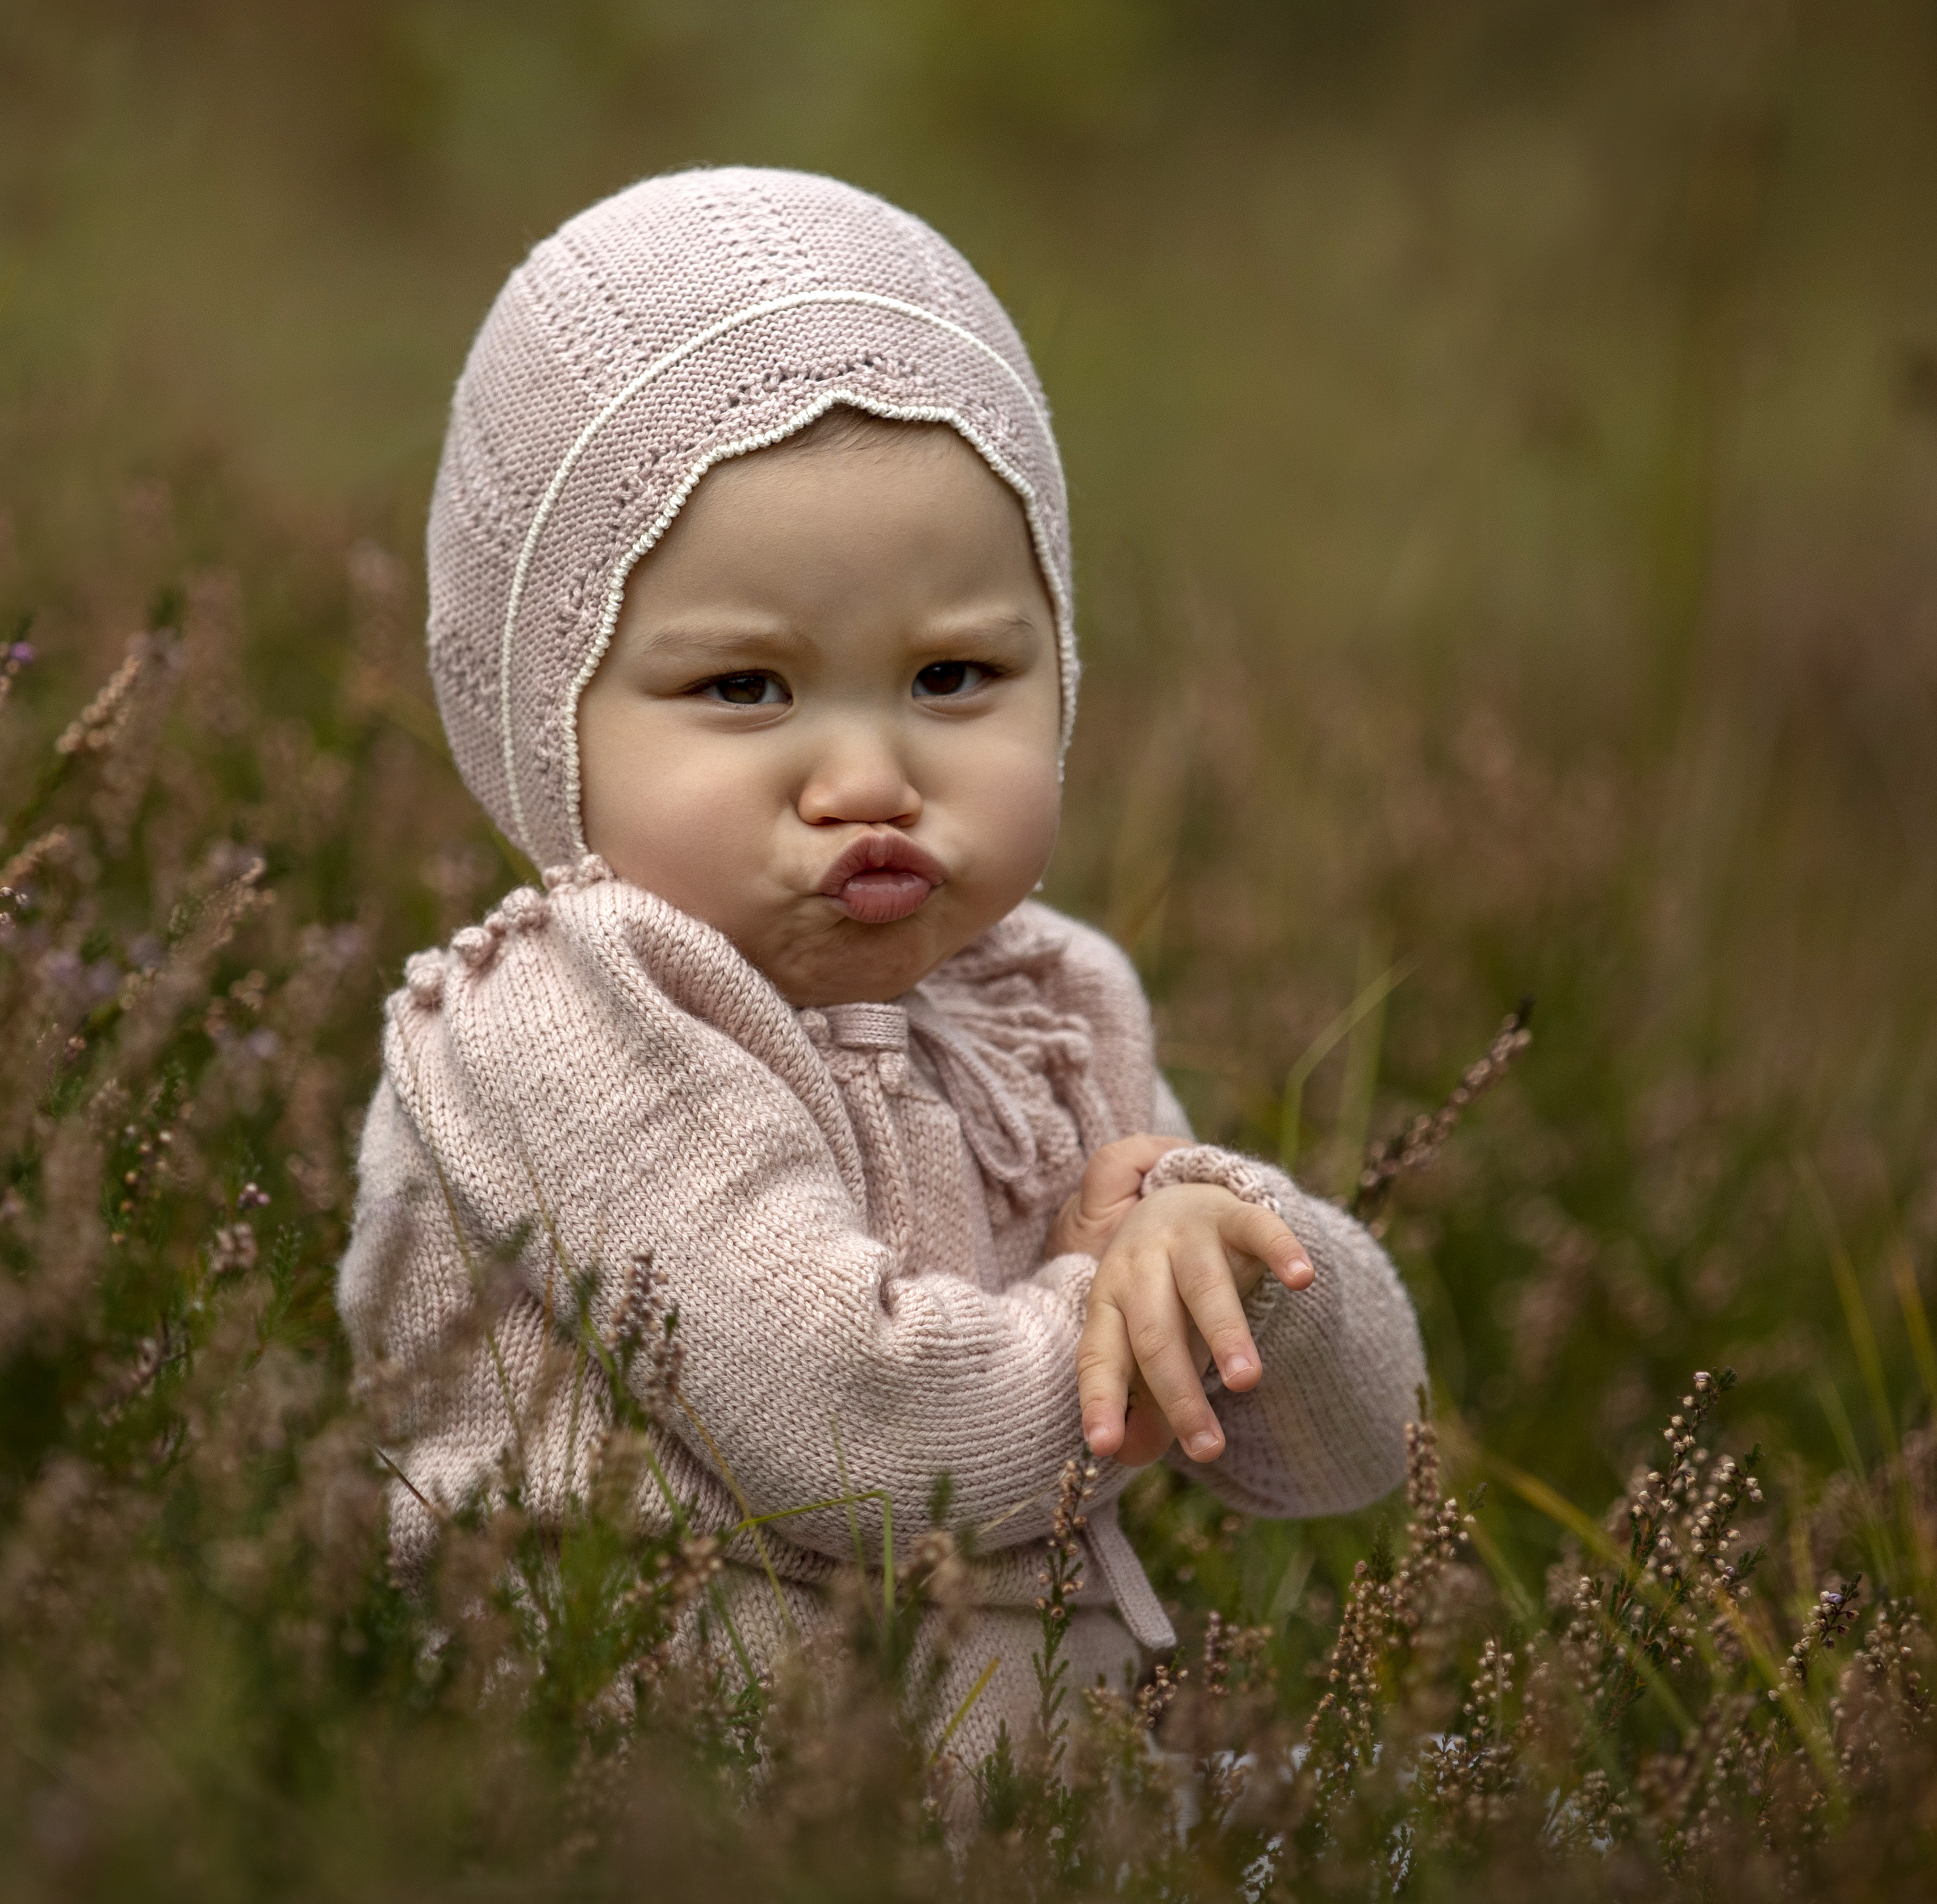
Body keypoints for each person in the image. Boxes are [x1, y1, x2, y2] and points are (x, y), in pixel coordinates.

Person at [336, 167, 1425, 1772]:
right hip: (647, 1802)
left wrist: (1211, 1240)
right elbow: (865, 1428)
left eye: (952, 674)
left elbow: (1351, 1441)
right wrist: (1101, 1310)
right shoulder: (567, 1016)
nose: (867, 771)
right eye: (748, 684)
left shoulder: (1049, 1003)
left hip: (1020, 1805)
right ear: (544, 709)